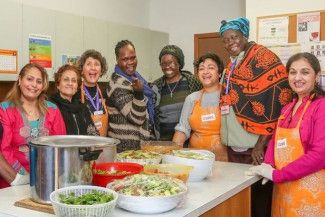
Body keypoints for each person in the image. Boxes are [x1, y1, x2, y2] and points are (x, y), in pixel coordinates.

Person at [219, 17, 291, 217]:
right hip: (235, 145)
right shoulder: (234, 62)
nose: (230, 42)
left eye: (234, 37)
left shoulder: (261, 57)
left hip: (254, 147)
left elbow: (278, 102)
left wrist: (261, 143)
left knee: (259, 199)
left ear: (245, 35)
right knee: (242, 199)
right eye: (225, 40)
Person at [248, 52, 325, 216]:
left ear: (317, 76)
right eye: (293, 72)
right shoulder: (288, 108)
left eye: (305, 72)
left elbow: (320, 154)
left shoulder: (321, 107)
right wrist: (268, 164)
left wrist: (278, 174)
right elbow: (277, 140)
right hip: (283, 191)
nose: (298, 77)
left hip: (310, 194)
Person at [0, 63, 66, 187]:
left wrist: (47, 174)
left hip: (47, 179)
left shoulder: (53, 110)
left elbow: (61, 146)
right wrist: (23, 176)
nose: (34, 85)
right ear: (19, 80)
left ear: (43, 86)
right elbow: (4, 149)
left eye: (39, 81)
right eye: (29, 79)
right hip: (13, 179)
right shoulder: (5, 110)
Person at [173, 53, 228, 161]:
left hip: (223, 160)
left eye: (211, 68)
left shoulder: (229, 96)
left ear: (220, 73)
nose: (206, 72)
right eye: (201, 69)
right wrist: (173, 152)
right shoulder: (192, 99)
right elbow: (182, 129)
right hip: (195, 158)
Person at [106, 40, 154, 152]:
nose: (130, 62)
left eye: (133, 58)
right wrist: (138, 93)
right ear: (117, 60)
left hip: (138, 149)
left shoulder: (136, 78)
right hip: (124, 150)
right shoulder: (117, 84)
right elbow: (136, 118)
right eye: (125, 59)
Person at [152, 45, 202, 141]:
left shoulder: (193, 82)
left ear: (179, 63)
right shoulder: (156, 86)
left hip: (188, 142)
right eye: (163, 64)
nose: (167, 66)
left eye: (171, 63)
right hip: (162, 142)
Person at [50, 64, 98, 136]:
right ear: (58, 85)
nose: (70, 83)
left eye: (74, 81)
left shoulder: (82, 107)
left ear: (77, 87)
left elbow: (93, 133)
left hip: (83, 146)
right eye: (66, 80)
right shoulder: (51, 107)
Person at [76, 49, 108, 136]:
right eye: (89, 64)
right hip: (84, 146)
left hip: (104, 146)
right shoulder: (75, 94)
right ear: (82, 70)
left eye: (97, 64)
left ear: (101, 70)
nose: (93, 68)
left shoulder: (106, 93)